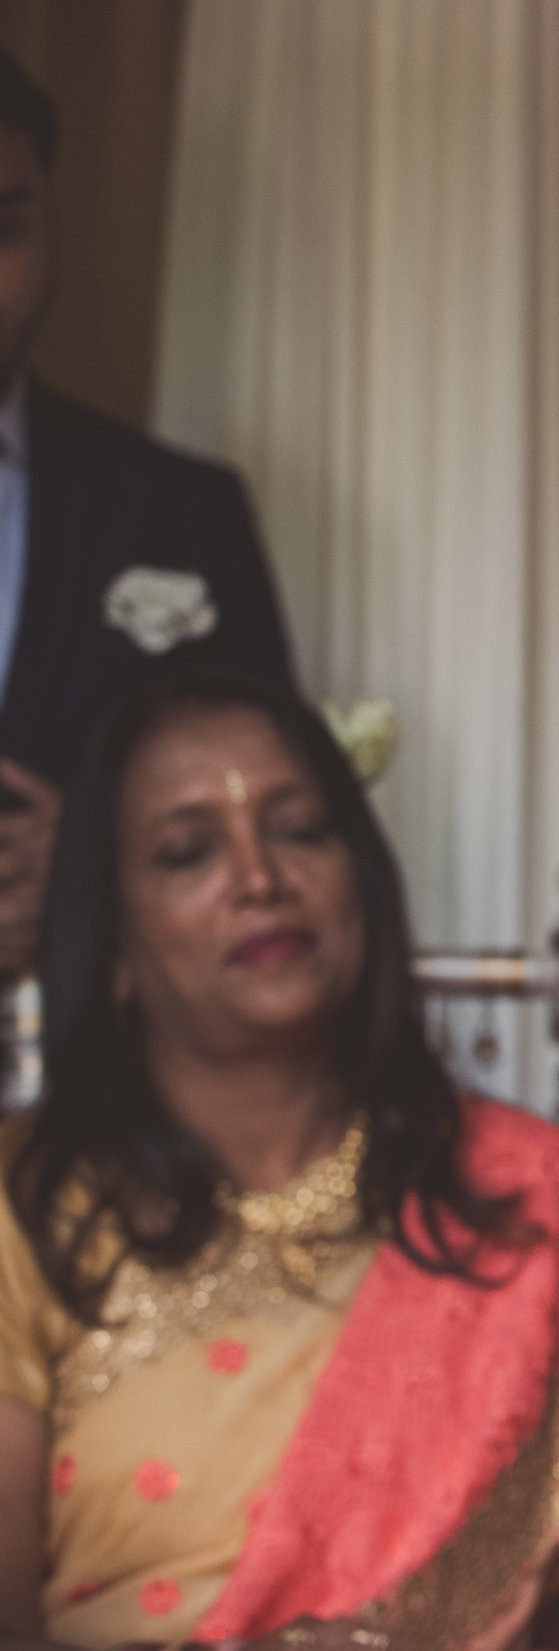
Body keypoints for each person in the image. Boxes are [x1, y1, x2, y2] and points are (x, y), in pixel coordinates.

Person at [0, 672, 559, 1651]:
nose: (260, 877)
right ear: (110, 944)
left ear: (363, 877)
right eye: (188, 852)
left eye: (302, 830)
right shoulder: (28, 1214)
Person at [0, 52, 299, 984]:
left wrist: (99, 870)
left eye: (2, 228)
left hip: (103, 1097)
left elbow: (280, 822)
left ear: (53, 234)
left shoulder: (176, 513)